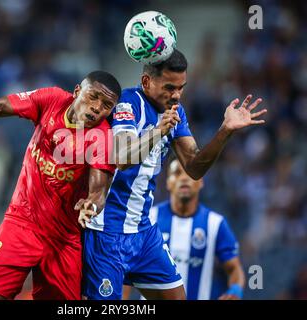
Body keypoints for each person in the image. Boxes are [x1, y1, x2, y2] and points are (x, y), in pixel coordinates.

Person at [82, 49, 266, 300]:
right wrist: (158, 131)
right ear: (147, 82)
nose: (176, 95)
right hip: (107, 231)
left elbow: (194, 166)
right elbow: (122, 158)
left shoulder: (176, 112)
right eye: (169, 87)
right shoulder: (127, 103)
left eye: (181, 88)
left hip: (143, 231)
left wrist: (225, 131)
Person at [0, 71, 121, 300]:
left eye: (106, 104)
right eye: (93, 97)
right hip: (22, 222)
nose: (97, 107)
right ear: (77, 91)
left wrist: (91, 205)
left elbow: (99, 191)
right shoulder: (52, 99)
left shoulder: (103, 138)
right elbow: (0, 106)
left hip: (63, 239)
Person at [123, 159, 245, 300]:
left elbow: (234, 268)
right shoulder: (148, 220)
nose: (184, 178)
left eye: (191, 173)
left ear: (201, 182)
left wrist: (235, 290)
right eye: (177, 173)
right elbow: (128, 267)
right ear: (168, 182)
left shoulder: (215, 224)